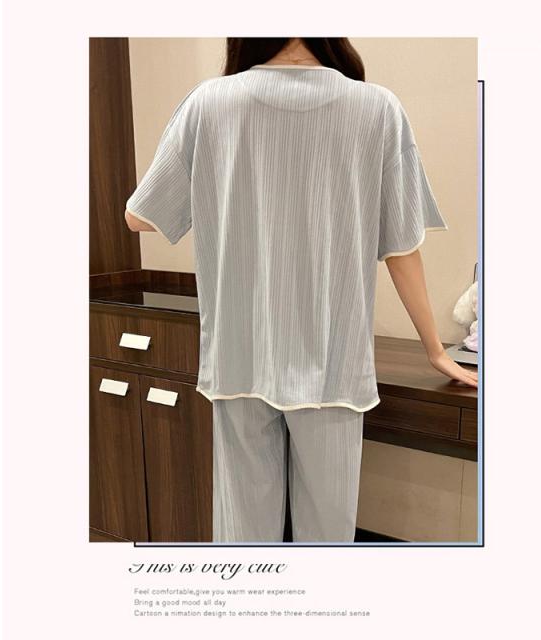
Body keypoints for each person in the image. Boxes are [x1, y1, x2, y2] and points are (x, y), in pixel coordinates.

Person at [125, 37, 478, 544]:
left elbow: (139, 217)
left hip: (239, 357)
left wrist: (229, 186)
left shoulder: (209, 103)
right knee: (328, 536)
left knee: (244, 538)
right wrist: (435, 351)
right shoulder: (377, 108)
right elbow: (402, 248)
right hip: (334, 364)